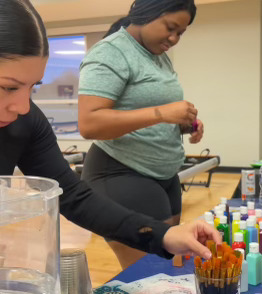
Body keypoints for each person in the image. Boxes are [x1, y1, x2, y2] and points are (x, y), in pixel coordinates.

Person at [0, 0, 220, 266]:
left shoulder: (21, 121)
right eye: (8, 87)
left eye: (32, 87)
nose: (23, 107)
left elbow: (72, 196)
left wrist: (165, 234)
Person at [77, 0, 204, 269]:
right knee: (149, 273)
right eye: (170, 28)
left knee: (170, 265)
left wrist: (182, 123)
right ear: (145, 13)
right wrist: (162, 113)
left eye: (181, 33)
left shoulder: (159, 56)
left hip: (164, 176)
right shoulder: (111, 53)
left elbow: (147, 111)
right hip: (121, 173)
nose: (174, 38)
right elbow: (89, 123)